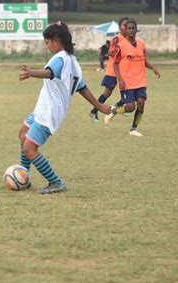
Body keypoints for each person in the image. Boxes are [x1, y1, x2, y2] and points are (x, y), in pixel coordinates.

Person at [18, 22, 112, 194]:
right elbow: (81, 88)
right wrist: (98, 105)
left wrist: (32, 72)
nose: (46, 46)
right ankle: (24, 176)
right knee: (23, 134)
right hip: (42, 109)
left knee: (29, 148)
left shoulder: (60, 59)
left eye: (47, 42)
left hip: (49, 113)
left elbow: (50, 73)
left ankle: (56, 182)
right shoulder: (73, 62)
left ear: (56, 41)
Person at [104, 19, 160, 136]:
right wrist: (119, 79)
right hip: (127, 81)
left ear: (136, 29)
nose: (131, 30)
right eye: (128, 28)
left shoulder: (141, 44)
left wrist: (153, 68)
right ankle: (113, 111)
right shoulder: (121, 46)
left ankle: (133, 129)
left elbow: (143, 60)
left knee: (141, 103)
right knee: (130, 107)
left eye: (133, 28)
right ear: (125, 30)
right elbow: (115, 63)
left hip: (140, 80)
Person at [89, 17, 130, 122]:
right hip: (113, 70)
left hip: (124, 71)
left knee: (127, 95)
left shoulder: (129, 39)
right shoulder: (117, 38)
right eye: (124, 25)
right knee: (107, 93)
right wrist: (119, 51)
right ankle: (94, 111)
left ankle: (118, 107)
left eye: (127, 25)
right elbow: (111, 52)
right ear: (120, 27)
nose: (126, 27)